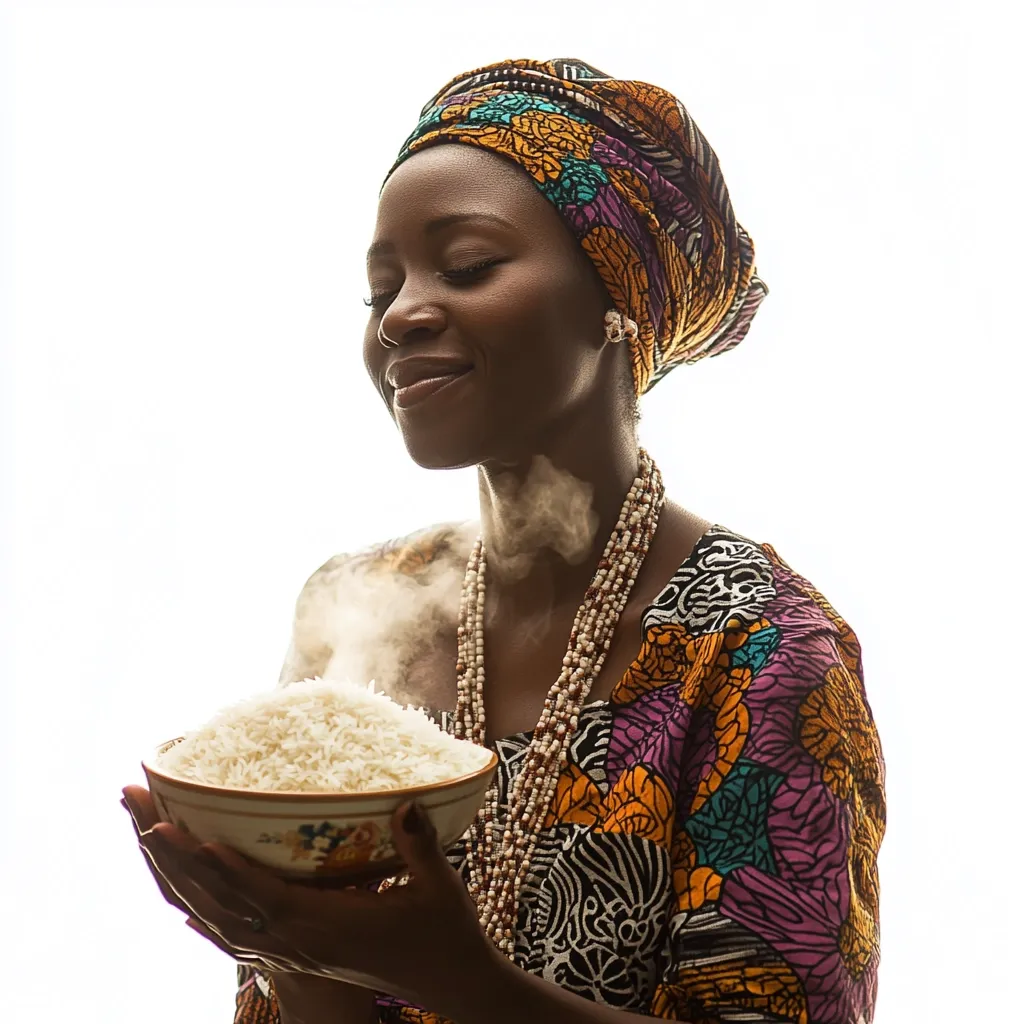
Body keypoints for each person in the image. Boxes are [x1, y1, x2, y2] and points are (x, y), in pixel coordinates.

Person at [121, 58, 886, 1024]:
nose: (400, 314)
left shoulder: (765, 650)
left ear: (618, 299)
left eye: (468, 264)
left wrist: (462, 982)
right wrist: (294, 953)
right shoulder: (353, 609)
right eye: (379, 288)